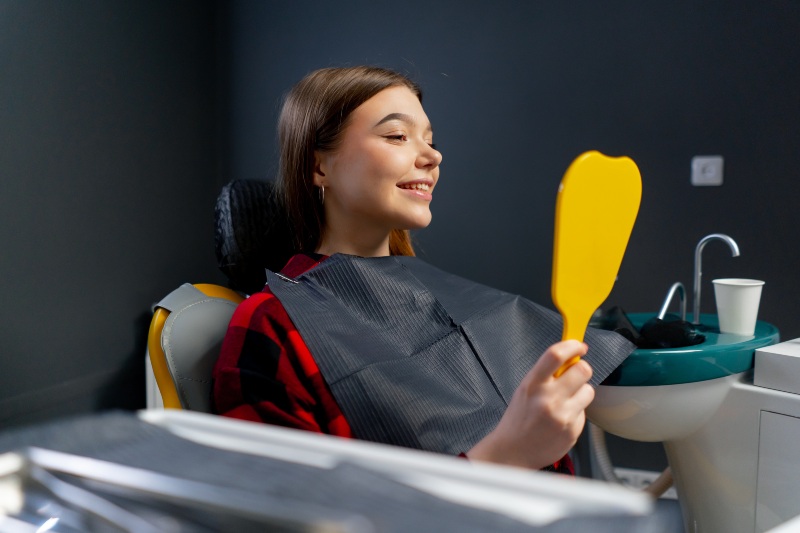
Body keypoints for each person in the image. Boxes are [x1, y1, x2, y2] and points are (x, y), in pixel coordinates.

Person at [212, 66, 632, 474]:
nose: (433, 156)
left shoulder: (436, 292)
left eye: (430, 140)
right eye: (397, 136)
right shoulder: (271, 327)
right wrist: (505, 457)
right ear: (319, 167)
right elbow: (288, 512)